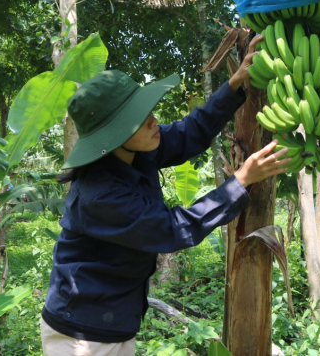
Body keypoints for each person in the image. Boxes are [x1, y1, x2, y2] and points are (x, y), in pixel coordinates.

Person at [40, 35, 290, 355]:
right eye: (139, 121)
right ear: (113, 137)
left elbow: (190, 133)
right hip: (85, 333)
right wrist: (241, 181)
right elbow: (173, 228)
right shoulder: (100, 196)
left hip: (110, 319)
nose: (153, 121)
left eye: (148, 112)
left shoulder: (137, 152)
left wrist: (234, 84)